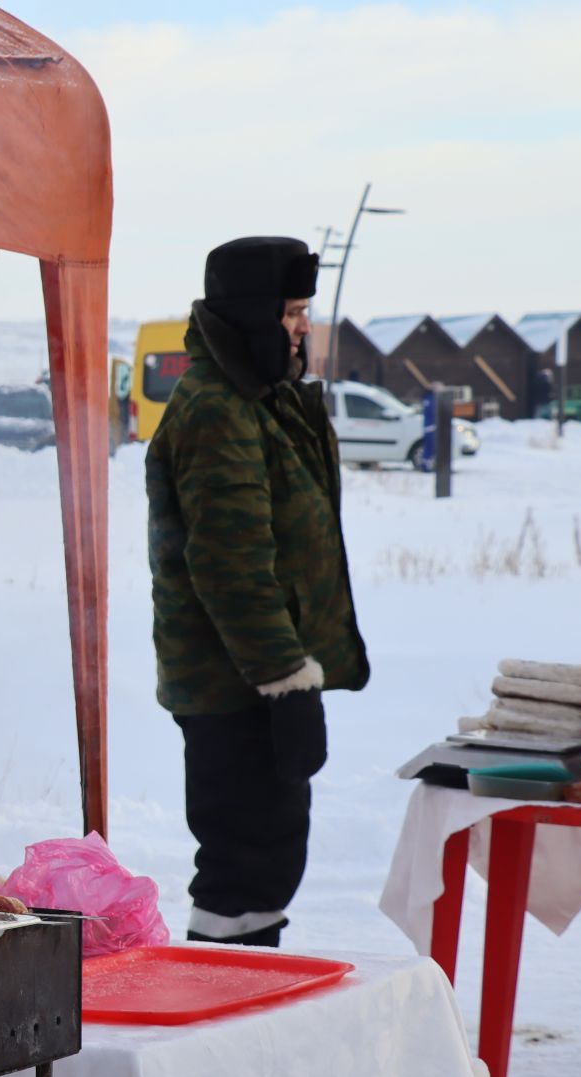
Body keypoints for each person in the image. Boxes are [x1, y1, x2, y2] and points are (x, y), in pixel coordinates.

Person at [145, 237, 369, 948]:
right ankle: (218, 1014)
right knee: (242, 873)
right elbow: (232, 563)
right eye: (294, 311)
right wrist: (285, 679)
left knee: (266, 863)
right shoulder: (218, 412)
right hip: (235, 685)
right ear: (252, 315)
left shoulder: (257, 400)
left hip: (251, 681)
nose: (305, 326)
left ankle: (239, 1005)